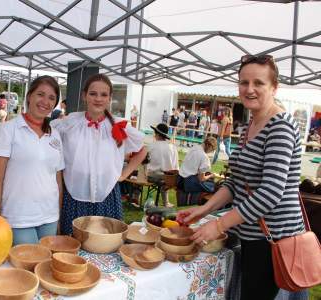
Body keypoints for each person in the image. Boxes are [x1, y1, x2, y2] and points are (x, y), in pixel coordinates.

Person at [177, 54, 306, 300]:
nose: (249, 89)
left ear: (274, 87)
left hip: (275, 240)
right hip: (253, 235)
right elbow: (235, 182)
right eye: (244, 83)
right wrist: (203, 211)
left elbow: (269, 193)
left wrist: (219, 224)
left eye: (258, 83)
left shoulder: (280, 127)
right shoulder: (250, 126)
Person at [52, 74, 147, 235]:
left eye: (104, 95)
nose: (98, 99)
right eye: (93, 93)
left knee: (106, 242)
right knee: (74, 244)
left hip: (107, 194)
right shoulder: (70, 123)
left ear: (110, 98)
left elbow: (142, 150)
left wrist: (123, 175)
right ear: (84, 95)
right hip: (74, 194)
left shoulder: (118, 125)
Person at [0, 76, 64, 244]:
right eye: (40, 94)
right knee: (28, 268)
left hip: (49, 216)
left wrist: (58, 216)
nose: (45, 101)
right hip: (18, 217)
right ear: (29, 96)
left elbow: (58, 180)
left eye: (51, 98)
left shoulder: (55, 134)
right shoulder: (8, 130)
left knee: (45, 267)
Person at [147, 123, 179, 207]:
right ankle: (166, 202)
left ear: (157, 134)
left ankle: (135, 197)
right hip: (168, 177)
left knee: (140, 170)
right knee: (164, 177)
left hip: (151, 176)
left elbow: (143, 161)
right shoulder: (172, 147)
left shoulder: (151, 146)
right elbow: (176, 167)